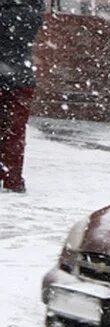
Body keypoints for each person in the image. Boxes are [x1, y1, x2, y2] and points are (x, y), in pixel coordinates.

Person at [0, 0, 44, 194]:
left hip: (6, 74)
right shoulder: (33, 12)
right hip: (22, 78)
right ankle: (13, 179)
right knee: (15, 132)